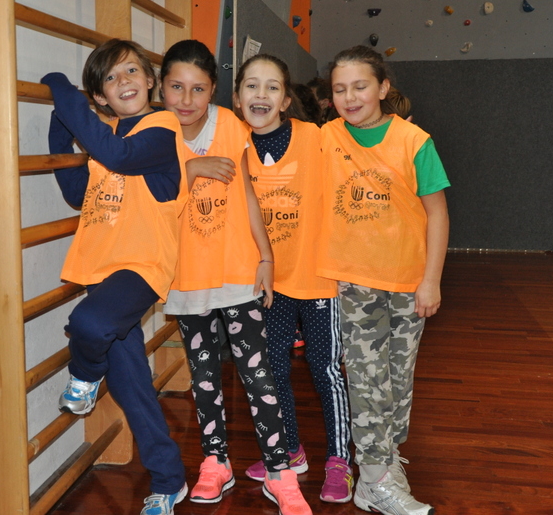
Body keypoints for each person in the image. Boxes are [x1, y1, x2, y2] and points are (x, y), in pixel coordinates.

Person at [159, 39, 313, 515]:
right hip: (186, 277)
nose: (187, 99)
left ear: (214, 91)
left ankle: (280, 471)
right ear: (160, 88)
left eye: (198, 89)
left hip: (236, 272)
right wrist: (190, 168)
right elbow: (148, 200)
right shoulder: (151, 133)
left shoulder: (230, 124)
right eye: (176, 87)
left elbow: (246, 191)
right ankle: (216, 462)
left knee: (259, 374)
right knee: (204, 377)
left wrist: (265, 257)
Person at [40, 38, 188, 515]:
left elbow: (119, 156)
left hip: (142, 268)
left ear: (151, 81)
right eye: (110, 77)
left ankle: (84, 378)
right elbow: (75, 191)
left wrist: (62, 89)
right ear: (101, 97)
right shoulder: (107, 146)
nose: (123, 81)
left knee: (89, 324)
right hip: (103, 270)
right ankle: (169, 481)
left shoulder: (160, 129)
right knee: (130, 385)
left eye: (131, 71)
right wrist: (60, 126)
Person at [318, 45, 450, 515]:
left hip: (408, 282)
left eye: (360, 86)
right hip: (354, 284)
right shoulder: (326, 137)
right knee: (367, 380)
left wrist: (431, 280)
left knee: (397, 379)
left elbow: (437, 214)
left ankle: (386, 458)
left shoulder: (414, 141)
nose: (350, 97)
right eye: (339, 89)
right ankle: (373, 480)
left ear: (383, 88)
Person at [233, 54, 355, 504]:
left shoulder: (316, 138)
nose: (260, 95)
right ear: (237, 97)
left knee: (326, 370)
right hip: (269, 284)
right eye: (251, 85)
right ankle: (290, 451)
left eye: (272, 87)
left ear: (286, 100)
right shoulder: (235, 146)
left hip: (318, 278)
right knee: (273, 370)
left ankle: (339, 461)